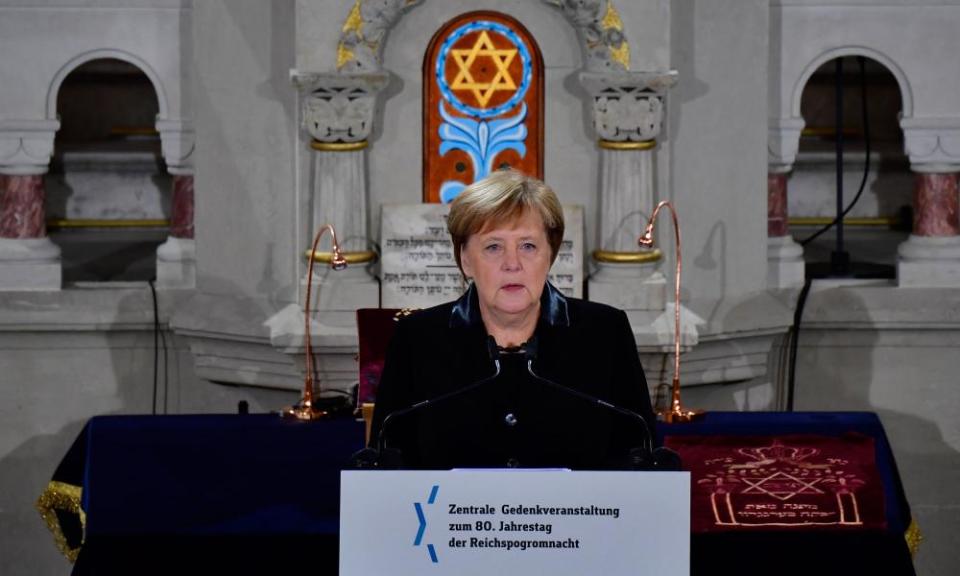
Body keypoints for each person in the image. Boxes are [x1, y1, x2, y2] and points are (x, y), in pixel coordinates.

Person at [369, 169, 655, 470]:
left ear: (550, 255)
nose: (512, 264)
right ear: (465, 259)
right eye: (493, 246)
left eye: (528, 246)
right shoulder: (418, 339)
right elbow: (388, 460)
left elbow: (639, 454)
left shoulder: (604, 334)